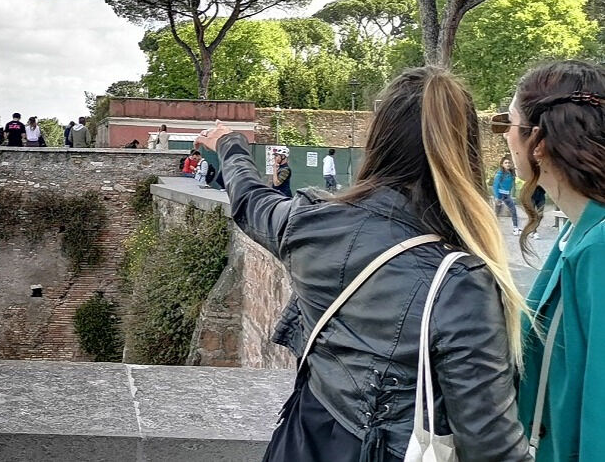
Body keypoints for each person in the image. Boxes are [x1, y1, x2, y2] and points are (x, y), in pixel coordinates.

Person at [197, 66, 530, 462]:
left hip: (303, 439)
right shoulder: (460, 283)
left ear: (378, 140)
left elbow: (250, 201)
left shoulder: (306, 222)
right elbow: (492, 446)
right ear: (467, 152)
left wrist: (231, 145)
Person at [502, 61, 605, 462]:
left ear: (538, 141)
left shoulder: (598, 248)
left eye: (507, 124)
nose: (506, 139)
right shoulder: (575, 232)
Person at [492, 155, 521, 236]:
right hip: (500, 195)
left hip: (507, 195)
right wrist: (497, 198)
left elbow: (511, 185)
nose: (508, 164)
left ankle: (515, 228)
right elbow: (495, 185)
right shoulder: (499, 174)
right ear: (502, 164)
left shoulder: (511, 174)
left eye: (509, 163)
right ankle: (493, 229)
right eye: (506, 163)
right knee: (497, 213)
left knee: (513, 210)